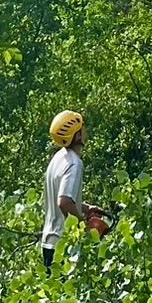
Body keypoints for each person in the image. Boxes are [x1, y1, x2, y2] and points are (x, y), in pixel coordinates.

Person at [42, 109, 90, 270]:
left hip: (49, 242)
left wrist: (84, 208)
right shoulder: (74, 164)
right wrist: (82, 223)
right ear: (77, 135)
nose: (85, 130)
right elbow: (64, 202)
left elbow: (60, 199)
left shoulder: (58, 159)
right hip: (64, 244)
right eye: (83, 127)